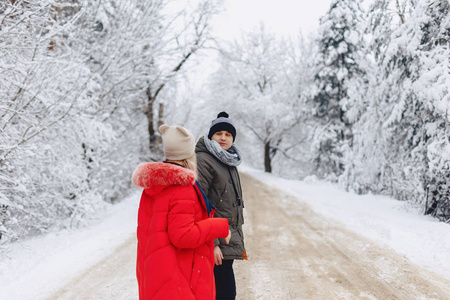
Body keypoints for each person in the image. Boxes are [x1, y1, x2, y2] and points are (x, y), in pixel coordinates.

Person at [132, 124, 231, 300]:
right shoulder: (182, 188)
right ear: (188, 152)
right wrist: (219, 226)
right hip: (179, 279)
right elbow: (184, 236)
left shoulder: (154, 184)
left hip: (157, 275)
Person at [195, 112, 246, 300]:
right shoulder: (204, 160)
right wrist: (213, 243)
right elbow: (200, 204)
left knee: (222, 289)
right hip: (215, 237)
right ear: (211, 136)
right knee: (223, 292)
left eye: (228, 134)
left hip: (228, 233)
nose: (223, 137)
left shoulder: (227, 160)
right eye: (219, 133)